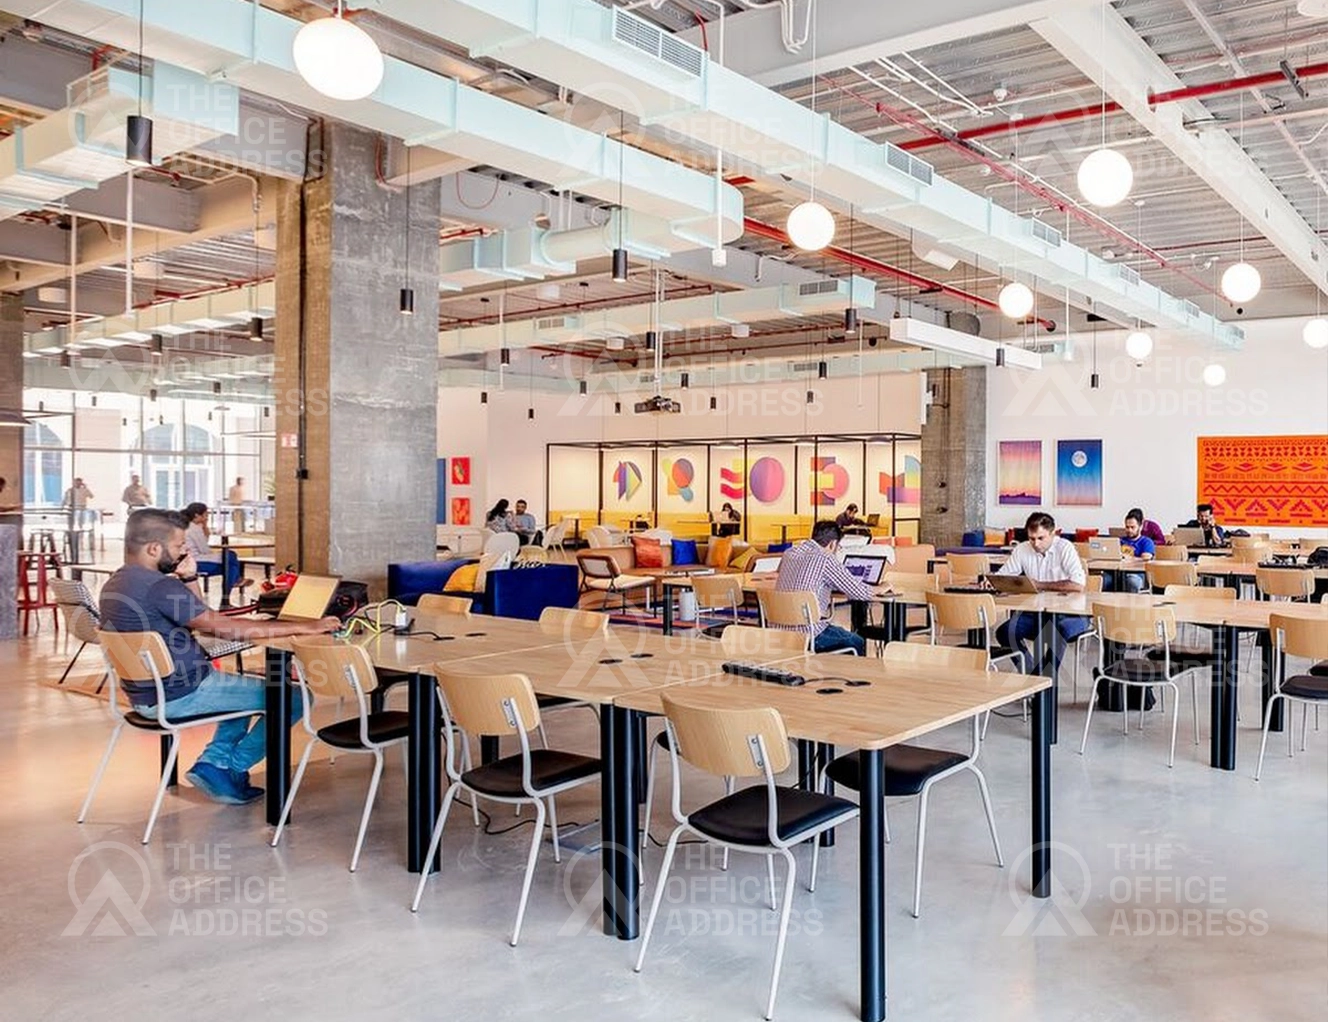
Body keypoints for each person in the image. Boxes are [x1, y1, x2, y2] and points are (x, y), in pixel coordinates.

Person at [99, 509, 338, 805]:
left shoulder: (117, 583)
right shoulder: (159, 587)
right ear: (154, 549)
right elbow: (223, 628)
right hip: (182, 693)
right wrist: (305, 626)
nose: (183, 552)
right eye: (178, 546)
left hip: (146, 694)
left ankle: (216, 763)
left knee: (242, 689)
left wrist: (189, 577)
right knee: (295, 698)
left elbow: (201, 618)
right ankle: (229, 766)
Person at [994, 512, 1090, 677]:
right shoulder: (1022, 549)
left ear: (1053, 534)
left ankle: (1045, 682)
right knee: (1004, 632)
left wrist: (1039, 585)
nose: (1036, 544)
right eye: (1031, 538)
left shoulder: (1065, 547)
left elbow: (1078, 585)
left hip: (1072, 615)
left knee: (1057, 631)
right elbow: (1004, 576)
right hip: (1036, 614)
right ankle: (1033, 675)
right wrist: (992, 581)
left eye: (1041, 538)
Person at [773, 519, 883, 655]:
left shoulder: (789, 553)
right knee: (856, 641)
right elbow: (861, 592)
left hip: (779, 632)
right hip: (809, 634)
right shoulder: (825, 558)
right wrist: (882, 587)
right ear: (833, 544)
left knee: (837, 631)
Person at [1118, 510, 1156, 593]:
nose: (1129, 530)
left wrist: (1130, 558)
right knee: (1105, 580)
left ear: (1140, 527)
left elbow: (1146, 557)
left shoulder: (1147, 541)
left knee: (1132, 581)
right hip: (1119, 572)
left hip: (1137, 573)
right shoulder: (1120, 541)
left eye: (1132, 527)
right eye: (1127, 527)